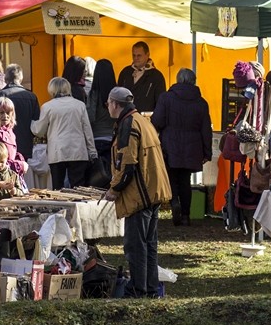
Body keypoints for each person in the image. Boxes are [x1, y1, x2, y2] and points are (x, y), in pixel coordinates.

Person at [104, 87, 171, 298]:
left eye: (108, 103)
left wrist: (115, 189)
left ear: (115, 104)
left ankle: (137, 290)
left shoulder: (128, 124)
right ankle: (150, 289)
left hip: (139, 196)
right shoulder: (142, 120)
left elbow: (127, 163)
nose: (107, 107)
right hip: (154, 192)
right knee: (149, 245)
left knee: (136, 246)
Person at [151, 68, 212, 226]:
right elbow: (206, 130)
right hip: (192, 147)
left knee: (171, 177)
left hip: (170, 144)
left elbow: (157, 121)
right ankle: (186, 214)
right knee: (185, 180)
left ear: (178, 80)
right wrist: (207, 152)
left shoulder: (166, 98)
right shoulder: (201, 103)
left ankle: (174, 203)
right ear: (194, 81)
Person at [31, 77, 96, 190]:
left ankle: (61, 207)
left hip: (57, 152)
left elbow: (39, 131)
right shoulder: (79, 105)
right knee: (79, 187)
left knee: (58, 187)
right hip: (78, 151)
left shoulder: (48, 107)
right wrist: (92, 151)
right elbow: (87, 130)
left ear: (52, 90)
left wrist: (32, 124)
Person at [0, 64, 39, 161]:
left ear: (5, 78)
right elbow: (36, 123)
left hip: (3, 144)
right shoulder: (32, 97)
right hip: (25, 145)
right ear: (21, 77)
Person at [117, 42, 166, 113]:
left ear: (147, 55)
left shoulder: (156, 76)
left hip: (145, 120)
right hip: (126, 118)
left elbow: (160, 104)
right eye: (134, 55)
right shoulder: (125, 72)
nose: (136, 58)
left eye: (139, 55)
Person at [86, 59, 116, 172]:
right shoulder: (116, 93)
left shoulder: (93, 93)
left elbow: (90, 117)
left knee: (98, 176)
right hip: (113, 138)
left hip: (96, 138)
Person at [0, 142, 24, 207]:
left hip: (11, 208)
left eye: (2, 162)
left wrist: (14, 191)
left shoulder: (12, 174)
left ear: (7, 158)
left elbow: (22, 192)